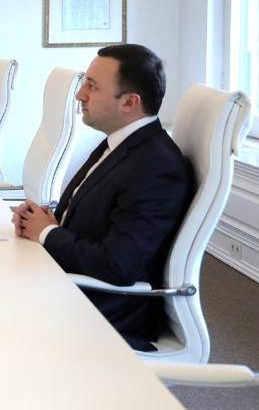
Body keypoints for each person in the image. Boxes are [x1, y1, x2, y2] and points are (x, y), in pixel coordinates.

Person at [11, 44, 194, 351]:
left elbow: (117, 266)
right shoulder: (122, 142)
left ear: (130, 102)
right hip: (68, 284)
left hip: (102, 313)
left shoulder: (155, 167)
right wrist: (42, 221)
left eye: (92, 87)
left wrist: (46, 233)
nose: (79, 94)